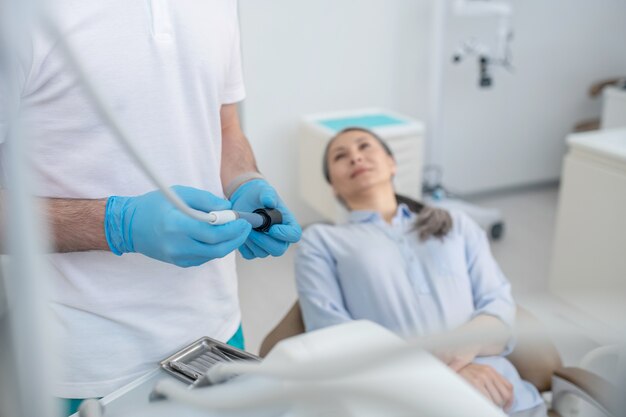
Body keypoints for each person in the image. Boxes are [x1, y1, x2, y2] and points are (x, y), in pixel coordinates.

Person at [0, 1, 301, 414]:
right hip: (83, 366)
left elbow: (225, 125)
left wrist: (245, 179)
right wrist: (117, 224)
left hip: (217, 334)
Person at [295, 127, 546, 416]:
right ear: (333, 187)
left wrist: (461, 352)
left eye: (365, 146)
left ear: (392, 163)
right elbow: (332, 336)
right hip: (405, 396)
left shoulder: (456, 224)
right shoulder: (321, 241)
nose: (355, 157)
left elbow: (498, 304)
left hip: (500, 389)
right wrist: (444, 376)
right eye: (340, 156)